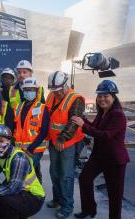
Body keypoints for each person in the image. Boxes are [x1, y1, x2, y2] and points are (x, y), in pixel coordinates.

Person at [72, 80, 130, 219]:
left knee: (114, 194)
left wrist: (83, 125)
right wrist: (84, 120)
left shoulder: (118, 115)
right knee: (84, 179)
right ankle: (89, 210)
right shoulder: (103, 112)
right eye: (100, 96)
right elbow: (96, 128)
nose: (102, 99)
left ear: (113, 97)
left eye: (106, 96)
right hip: (99, 156)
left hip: (114, 160)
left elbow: (106, 135)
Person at [0, 124, 45, 219]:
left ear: (10, 141)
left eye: (2, 141)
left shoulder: (19, 158)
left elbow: (13, 188)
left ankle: (21, 214)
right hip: (13, 194)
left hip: (32, 196)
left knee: (7, 203)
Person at [45, 71, 85, 219]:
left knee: (66, 175)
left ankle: (67, 206)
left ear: (65, 84)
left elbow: (73, 123)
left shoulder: (76, 99)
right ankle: (57, 199)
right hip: (54, 142)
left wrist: (62, 139)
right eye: (54, 90)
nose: (58, 93)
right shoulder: (51, 95)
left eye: (60, 89)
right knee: (54, 173)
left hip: (68, 142)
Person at [13, 77, 50, 182]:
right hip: (20, 148)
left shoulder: (43, 108)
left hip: (35, 149)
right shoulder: (18, 107)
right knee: (32, 171)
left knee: (26, 171)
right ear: (23, 91)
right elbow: (15, 128)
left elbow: (44, 131)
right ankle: (36, 190)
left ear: (37, 91)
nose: (29, 92)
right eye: (26, 89)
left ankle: (36, 193)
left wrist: (31, 149)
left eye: (32, 89)